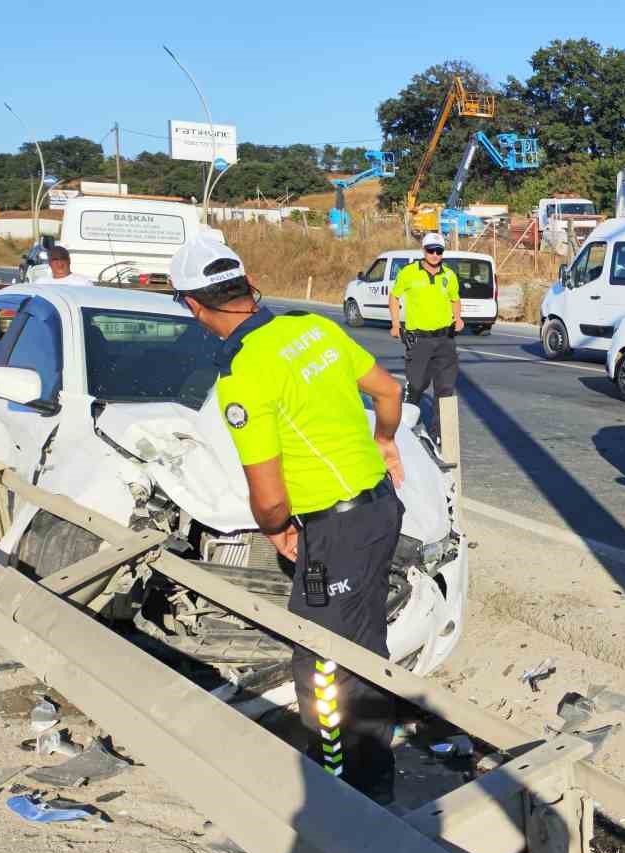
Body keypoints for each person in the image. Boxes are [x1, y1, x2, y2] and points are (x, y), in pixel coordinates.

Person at [170, 233, 408, 803]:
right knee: (365, 640)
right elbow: (388, 390)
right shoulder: (314, 328)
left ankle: (343, 788)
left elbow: (270, 498)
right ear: (248, 287)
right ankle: (375, 768)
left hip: (337, 529)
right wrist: (386, 441)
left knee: (320, 660)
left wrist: (276, 529)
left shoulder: (244, 374)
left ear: (194, 306)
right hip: (381, 510)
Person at [389, 232, 463, 408]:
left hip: (445, 339)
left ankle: (441, 434)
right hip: (419, 340)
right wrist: (395, 324)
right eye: (431, 250)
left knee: (446, 389)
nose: (435, 255)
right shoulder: (409, 273)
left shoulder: (449, 275)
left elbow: (455, 299)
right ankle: (405, 427)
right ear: (423, 250)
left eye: (439, 251)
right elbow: (394, 297)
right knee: (416, 385)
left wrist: (458, 318)